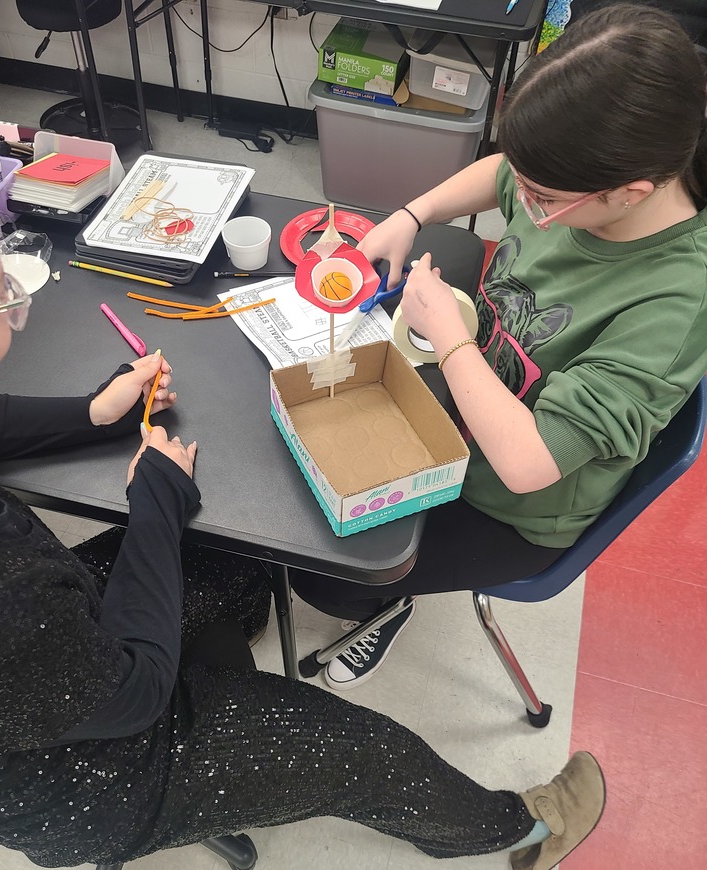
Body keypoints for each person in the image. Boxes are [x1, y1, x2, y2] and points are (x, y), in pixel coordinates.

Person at [0, 162, 604, 870]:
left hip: (47, 663)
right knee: (361, 752)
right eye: (0, 297)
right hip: (95, 774)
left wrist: (92, 413)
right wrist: (155, 502)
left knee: (241, 550)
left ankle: (230, 625)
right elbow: (129, 693)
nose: (13, 307)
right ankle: (511, 825)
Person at [291, 3, 707, 690]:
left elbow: (527, 463)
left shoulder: (677, 305)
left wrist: (451, 337)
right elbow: (505, 175)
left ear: (631, 194)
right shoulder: (586, 181)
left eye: (544, 199)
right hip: (468, 396)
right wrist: (411, 213)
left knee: (328, 579)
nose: (527, 202)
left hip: (513, 504)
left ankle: (387, 607)